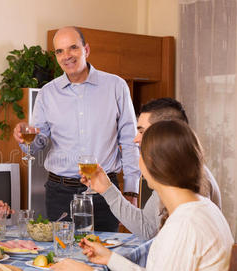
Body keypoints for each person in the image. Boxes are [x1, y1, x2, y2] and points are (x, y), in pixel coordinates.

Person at [52, 120, 234, 271]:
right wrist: (110, 259)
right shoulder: (204, 208)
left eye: (141, 153)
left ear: (153, 162)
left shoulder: (183, 226)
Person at [13, 26, 140, 231]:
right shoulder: (48, 93)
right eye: (60, 51)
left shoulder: (116, 87)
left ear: (86, 50)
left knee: (107, 255)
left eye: (73, 48)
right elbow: (38, 144)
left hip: (105, 191)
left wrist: (132, 192)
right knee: (64, 256)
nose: (66, 56)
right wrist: (24, 140)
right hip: (59, 193)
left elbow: (129, 140)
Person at [90, 97, 221, 239]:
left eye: (142, 131)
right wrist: (107, 189)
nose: (135, 139)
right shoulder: (171, 173)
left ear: (164, 133)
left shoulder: (195, 187)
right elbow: (147, 227)